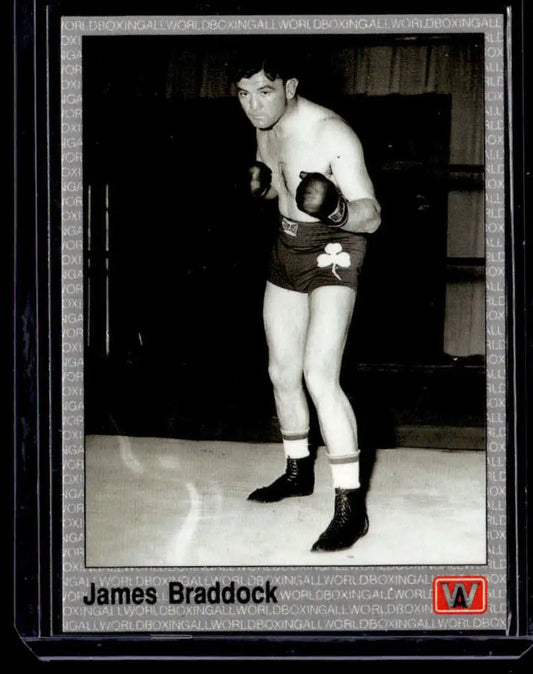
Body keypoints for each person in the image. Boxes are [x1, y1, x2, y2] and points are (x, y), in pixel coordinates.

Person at [234, 52, 381, 552]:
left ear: (290, 85)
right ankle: (298, 472)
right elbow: (283, 183)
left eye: (265, 92)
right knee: (281, 370)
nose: (254, 106)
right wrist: (266, 188)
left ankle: (350, 506)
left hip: (336, 247)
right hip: (287, 246)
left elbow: (372, 214)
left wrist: (336, 206)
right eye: (244, 94)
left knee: (320, 373)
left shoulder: (332, 133)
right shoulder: (265, 123)